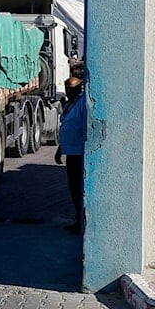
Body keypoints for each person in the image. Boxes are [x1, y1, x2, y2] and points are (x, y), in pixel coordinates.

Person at [55, 76, 86, 235]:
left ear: (78, 88)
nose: (68, 91)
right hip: (70, 151)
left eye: (71, 88)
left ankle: (80, 220)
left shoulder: (82, 103)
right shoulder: (69, 104)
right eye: (67, 88)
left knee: (77, 188)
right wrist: (60, 148)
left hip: (78, 153)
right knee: (73, 188)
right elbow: (66, 125)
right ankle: (77, 218)